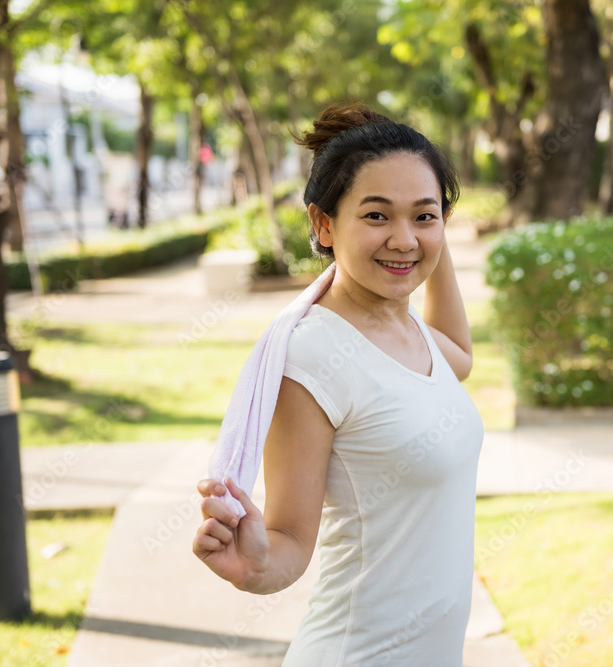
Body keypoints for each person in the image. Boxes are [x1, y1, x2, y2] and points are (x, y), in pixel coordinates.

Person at [192, 102, 484, 666]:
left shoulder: (406, 325)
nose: (402, 238)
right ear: (323, 224)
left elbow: (461, 358)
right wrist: (253, 567)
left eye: (425, 215)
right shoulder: (313, 356)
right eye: (376, 216)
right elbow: (290, 542)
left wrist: (426, 236)